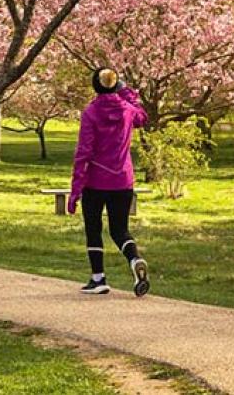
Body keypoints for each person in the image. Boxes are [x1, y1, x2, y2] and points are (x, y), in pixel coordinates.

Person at [67, 67, 150, 296]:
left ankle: (98, 278)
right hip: (122, 180)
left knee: (93, 228)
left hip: (95, 181)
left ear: (94, 86)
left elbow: (83, 153)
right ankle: (134, 259)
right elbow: (143, 118)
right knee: (120, 230)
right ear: (116, 85)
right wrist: (127, 93)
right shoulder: (128, 110)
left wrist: (75, 191)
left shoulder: (91, 113)